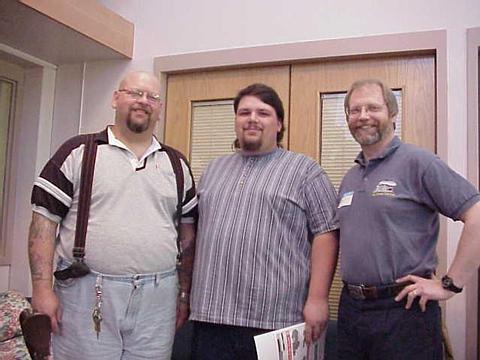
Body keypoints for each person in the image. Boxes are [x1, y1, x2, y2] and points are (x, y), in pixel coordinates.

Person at [28, 71, 197, 360]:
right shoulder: (77, 153)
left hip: (158, 300)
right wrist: (42, 290)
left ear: (160, 108)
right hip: (86, 294)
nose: (143, 101)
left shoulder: (177, 164)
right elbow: (42, 226)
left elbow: (188, 237)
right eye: (134, 93)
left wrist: (183, 294)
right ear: (115, 99)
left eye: (152, 97)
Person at [189, 83, 339, 359]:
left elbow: (327, 232)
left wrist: (318, 299)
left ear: (279, 123)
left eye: (263, 113)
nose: (252, 119)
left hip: (276, 321)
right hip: (210, 316)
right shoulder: (213, 170)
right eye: (244, 112)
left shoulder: (305, 171)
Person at [336, 78, 480, 359]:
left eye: (372, 108)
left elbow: (476, 215)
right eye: (355, 110)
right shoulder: (350, 177)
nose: (363, 116)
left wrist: (449, 284)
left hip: (404, 310)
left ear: (392, 114)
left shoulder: (420, 163)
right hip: (351, 310)